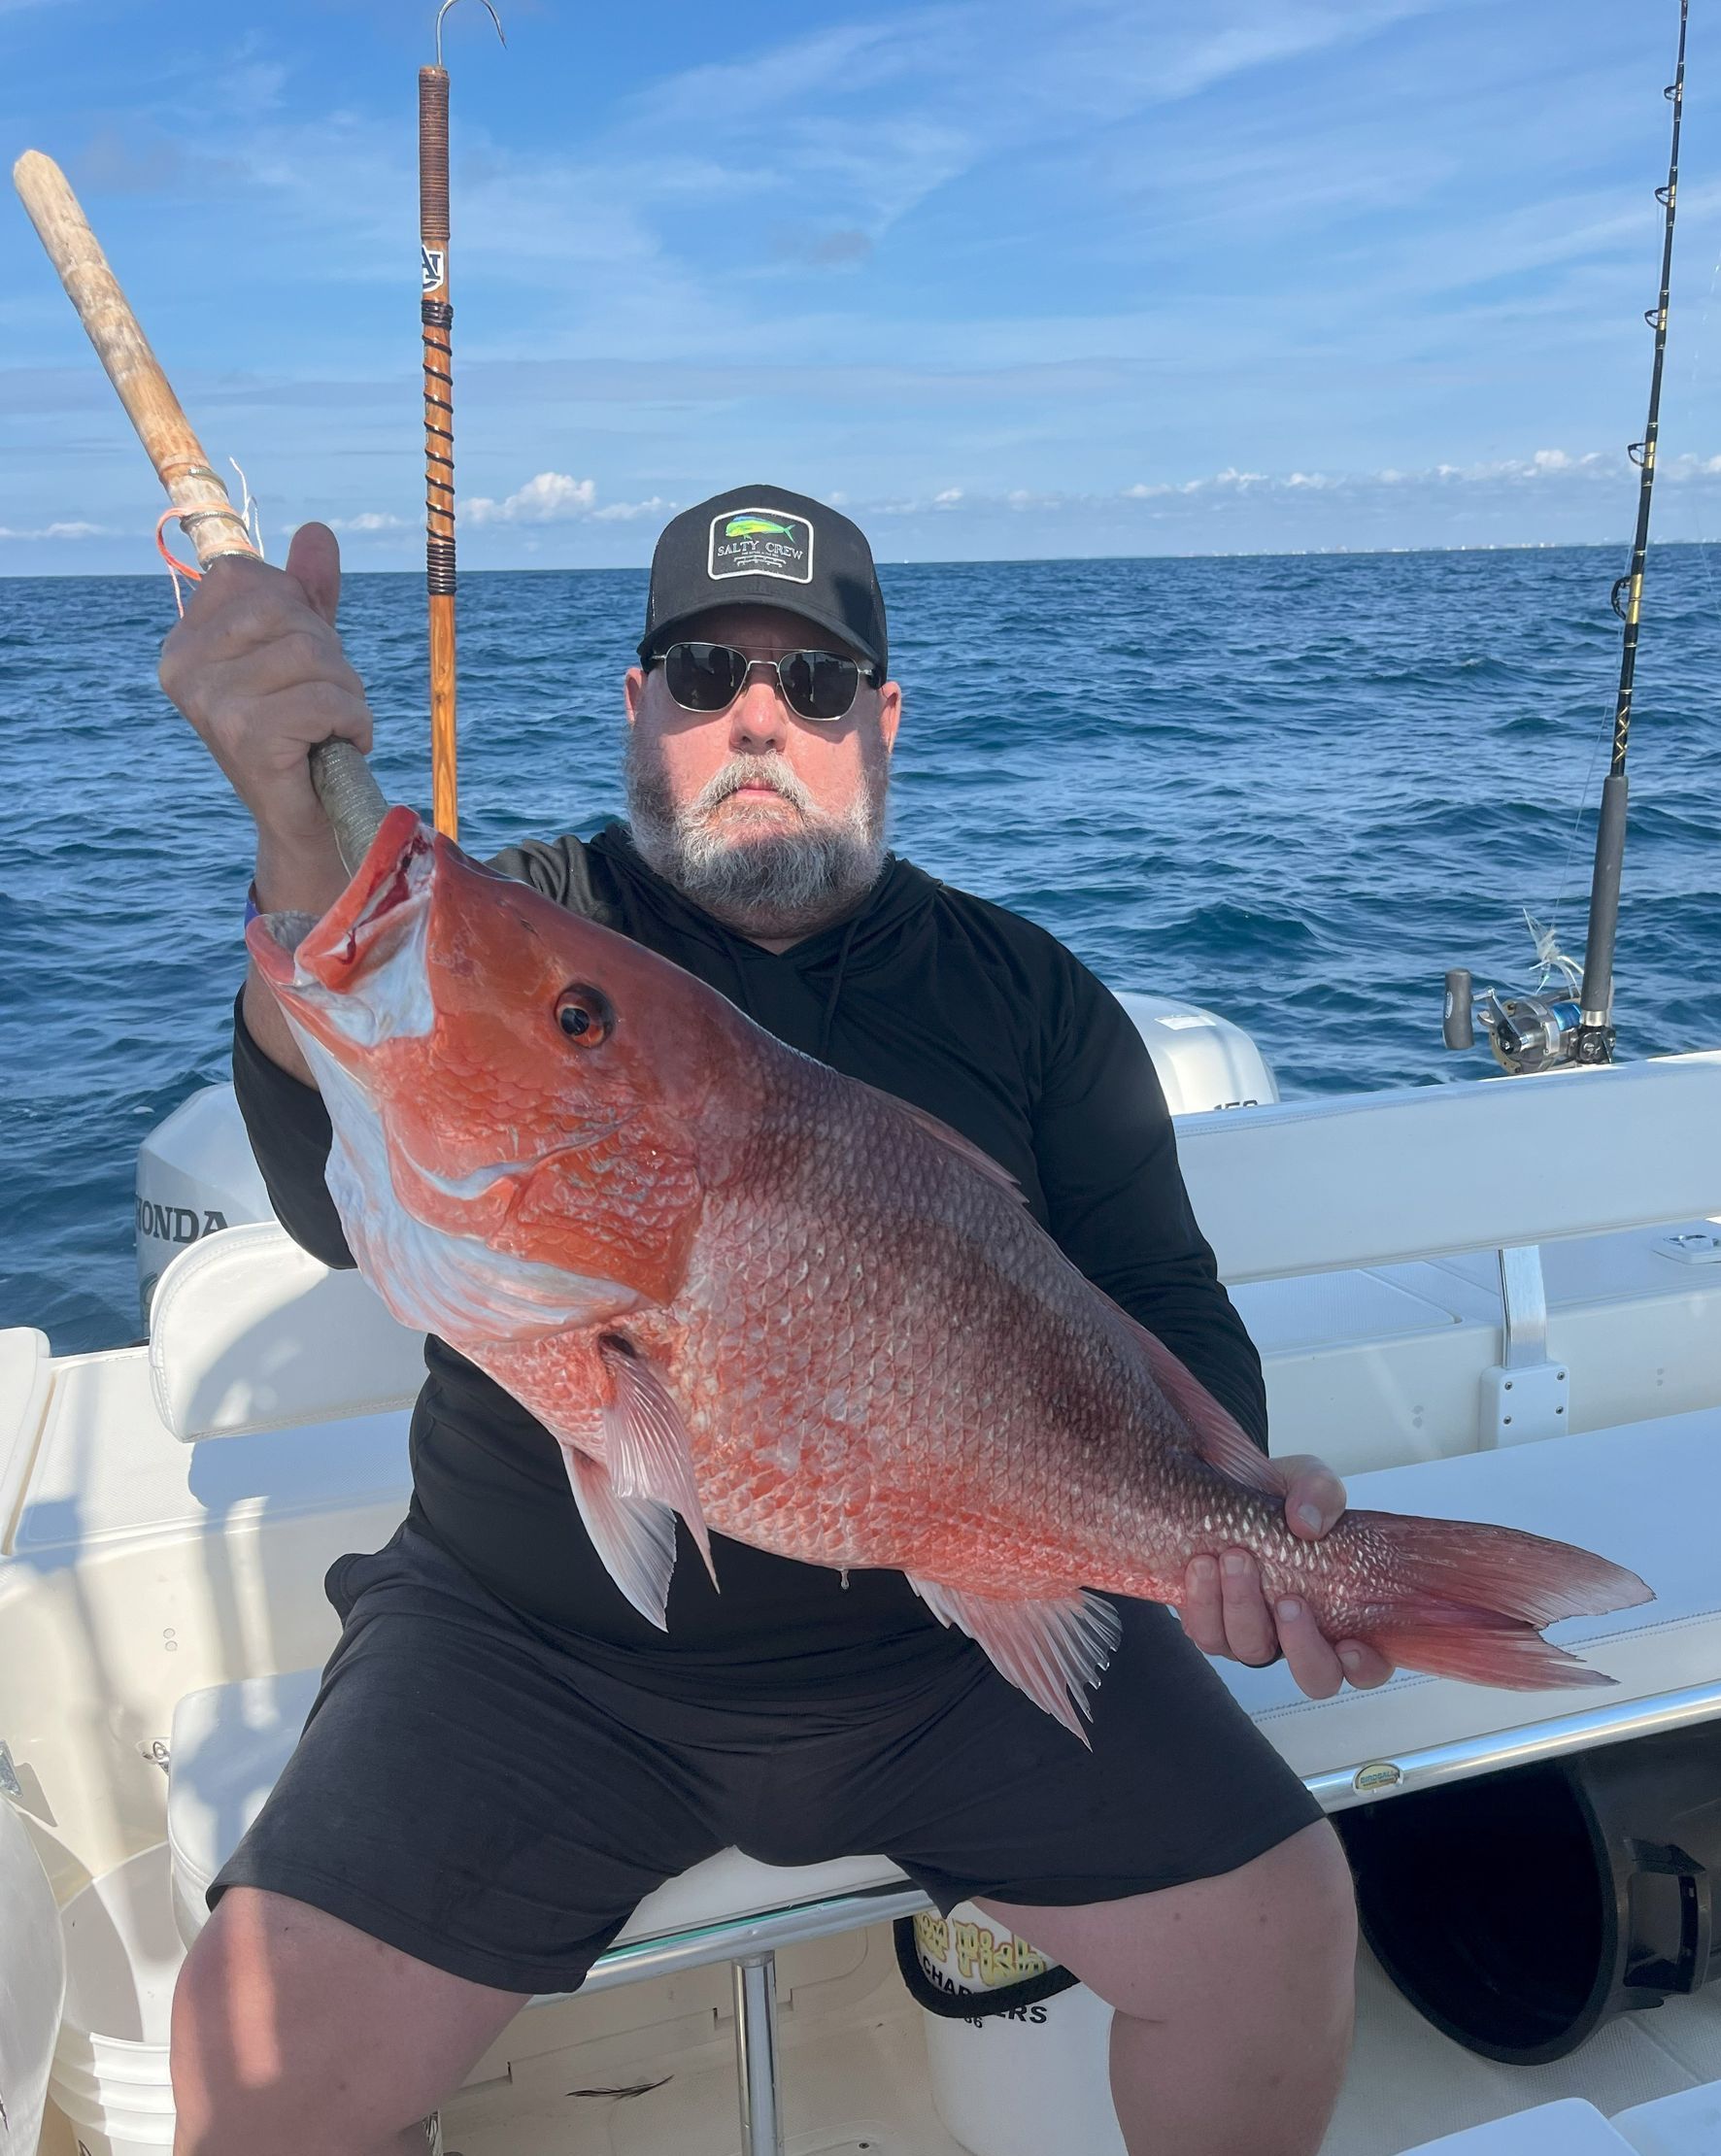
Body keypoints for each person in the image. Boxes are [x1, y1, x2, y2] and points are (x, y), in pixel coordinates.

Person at [158, 486, 1386, 2156]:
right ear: (637, 707)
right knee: (257, 2062)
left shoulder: (1027, 995)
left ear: (882, 720)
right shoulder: (534, 923)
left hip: (946, 1653)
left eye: (813, 683)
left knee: (1281, 1935)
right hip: (529, 1648)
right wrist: (299, 818)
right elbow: (334, 1159)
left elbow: (1163, 1301)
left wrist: (1229, 1512)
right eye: (701, 672)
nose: (756, 717)